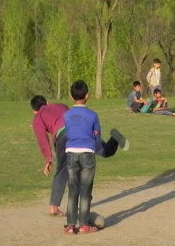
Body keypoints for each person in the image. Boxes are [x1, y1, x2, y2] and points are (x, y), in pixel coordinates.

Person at [30, 95, 127, 217]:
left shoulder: (37, 118)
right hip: (82, 130)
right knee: (104, 152)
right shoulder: (61, 106)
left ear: (34, 111)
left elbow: (42, 139)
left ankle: (54, 207)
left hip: (63, 137)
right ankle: (114, 139)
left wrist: (48, 159)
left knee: (62, 171)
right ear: (47, 103)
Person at [63, 80, 108, 234]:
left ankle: (70, 225)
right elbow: (97, 137)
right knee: (85, 190)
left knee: (72, 189)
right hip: (87, 152)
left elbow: (68, 133)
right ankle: (84, 225)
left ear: (71, 96)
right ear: (87, 96)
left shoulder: (67, 115)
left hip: (71, 152)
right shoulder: (92, 115)